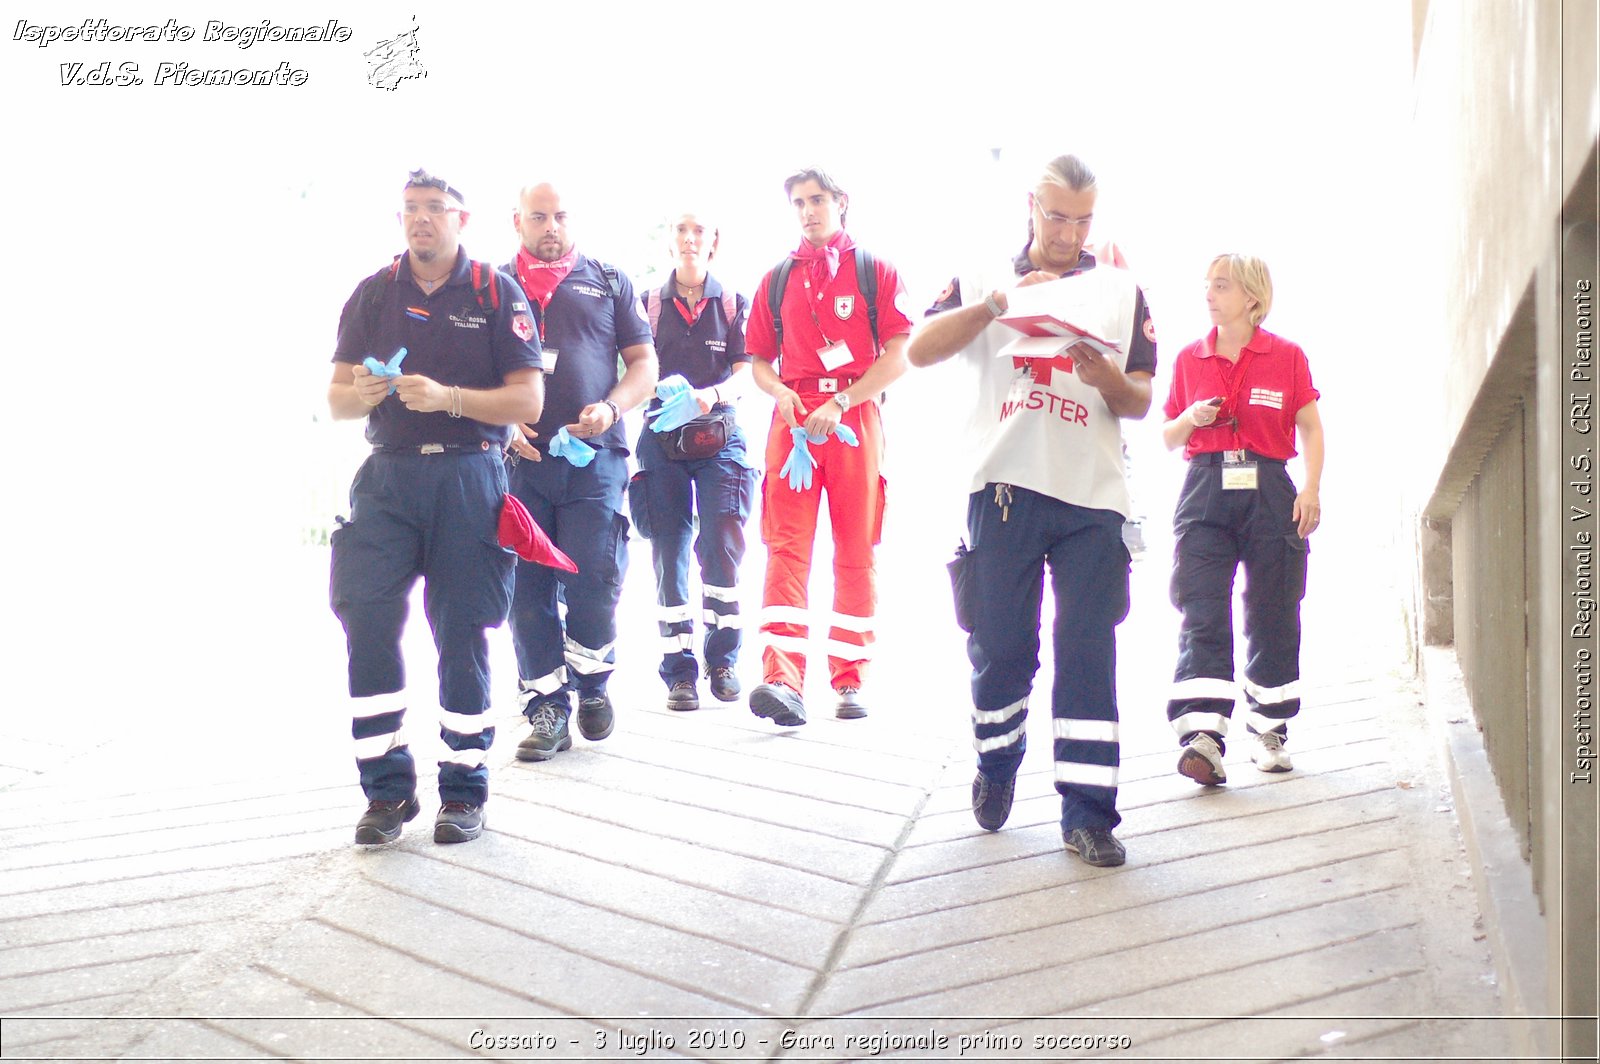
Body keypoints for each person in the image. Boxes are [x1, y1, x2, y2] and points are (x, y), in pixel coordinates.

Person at [906, 154, 1157, 868]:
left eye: (1083, 219)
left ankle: (1089, 816)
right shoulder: (986, 275)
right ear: (1031, 207)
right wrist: (997, 305)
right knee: (1003, 649)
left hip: (1092, 498)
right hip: (1004, 491)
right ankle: (998, 756)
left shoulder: (1121, 288)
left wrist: (1106, 376)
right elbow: (918, 350)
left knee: (1088, 650)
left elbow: (1140, 397)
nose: (1069, 232)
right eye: (1057, 216)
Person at [327, 169, 544, 846]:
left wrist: (450, 398)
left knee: (461, 633)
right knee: (365, 619)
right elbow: (335, 399)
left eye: (435, 209)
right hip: (387, 480)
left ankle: (463, 790)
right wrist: (364, 390)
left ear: (462, 219)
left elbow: (528, 402)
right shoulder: (373, 293)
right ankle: (387, 794)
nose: (422, 219)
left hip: (469, 477)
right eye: (411, 209)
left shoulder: (494, 291)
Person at [743, 167, 914, 727]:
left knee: (855, 546)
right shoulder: (775, 279)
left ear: (842, 202)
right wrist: (781, 395)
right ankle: (781, 678)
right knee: (784, 547)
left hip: (853, 421)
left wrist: (841, 403)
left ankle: (849, 676)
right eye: (798, 203)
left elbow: (898, 355)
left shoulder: (876, 272)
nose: (808, 211)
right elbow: (759, 363)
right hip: (791, 426)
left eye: (817, 200)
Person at [503, 182, 658, 761]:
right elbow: (471, 373)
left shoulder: (610, 281)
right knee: (526, 588)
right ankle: (546, 709)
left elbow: (644, 363)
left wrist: (612, 407)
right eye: (538, 216)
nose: (550, 227)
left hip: (597, 457)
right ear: (516, 220)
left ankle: (592, 682)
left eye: (560, 216)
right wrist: (499, 424)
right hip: (520, 463)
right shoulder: (492, 286)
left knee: (594, 575)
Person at [1161, 253, 1324, 786]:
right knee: (1202, 608)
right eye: (1207, 285)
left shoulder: (1287, 356)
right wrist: (1190, 417)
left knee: (1274, 607)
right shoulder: (1189, 358)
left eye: (1221, 286)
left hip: (1270, 489)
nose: (1209, 294)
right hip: (1206, 487)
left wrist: (1311, 489)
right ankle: (1204, 737)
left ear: (1251, 298)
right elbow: (1167, 436)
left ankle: (1269, 728)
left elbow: (1310, 428)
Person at [629, 211, 759, 712]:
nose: (689, 239)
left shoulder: (733, 303)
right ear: (669, 243)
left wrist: (713, 394)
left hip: (719, 433)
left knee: (722, 540)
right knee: (668, 546)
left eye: (699, 231)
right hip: (662, 436)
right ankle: (679, 671)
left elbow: (748, 373)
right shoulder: (646, 305)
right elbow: (631, 365)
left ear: (714, 244)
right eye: (680, 230)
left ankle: (723, 660)